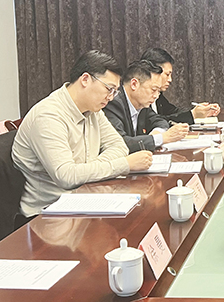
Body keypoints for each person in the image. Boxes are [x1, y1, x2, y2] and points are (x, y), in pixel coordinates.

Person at [12, 50, 152, 219]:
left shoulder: (93, 110)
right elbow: (67, 176)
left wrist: (87, 169)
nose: (110, 97)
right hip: (48, 214)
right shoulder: (48, 116)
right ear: (85, 79)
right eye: (109, 89)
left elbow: (119, 146)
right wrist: (124, 164)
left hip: (86, 198)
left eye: (114, 92)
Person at [104, 59, 189, 153]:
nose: (156, 96)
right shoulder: (113, 103)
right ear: (134, 84)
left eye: (158, 91)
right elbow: (120, 143)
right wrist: (161, 138)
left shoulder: (142, 104)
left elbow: (159, 121)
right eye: (153, 90)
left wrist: (157, 133)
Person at [140, 48, 220, 124]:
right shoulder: (141, 96)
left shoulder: (158, 95)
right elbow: (155, 122)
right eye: (167, 74)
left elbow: (173, 112)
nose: (170, 80)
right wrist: (193, 114)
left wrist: (200, 110)